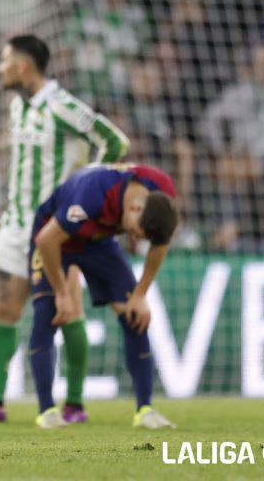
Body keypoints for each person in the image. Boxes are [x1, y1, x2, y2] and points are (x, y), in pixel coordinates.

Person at [0, 35, 129, 427]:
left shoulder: (62, 107)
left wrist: (87, 197)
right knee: (3, 309)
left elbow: (114, 141)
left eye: (5, 60)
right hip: (15, 226)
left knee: (68, 310)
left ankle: (75, 403)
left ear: (24, 66)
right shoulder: (18, 108)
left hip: (56, 232)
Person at [30, 163, 179, 430]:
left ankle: (145, 409)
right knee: (49, 313)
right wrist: (62, 292)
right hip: (54, 238)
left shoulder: (162, 192)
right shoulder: (91, 196)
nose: (133, 239)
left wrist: (140, 294)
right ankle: (46, 411)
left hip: (98, 243)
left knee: (135, 314)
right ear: (134, 208)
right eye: (134, 232)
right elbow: (46, 240)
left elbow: (160, 243)